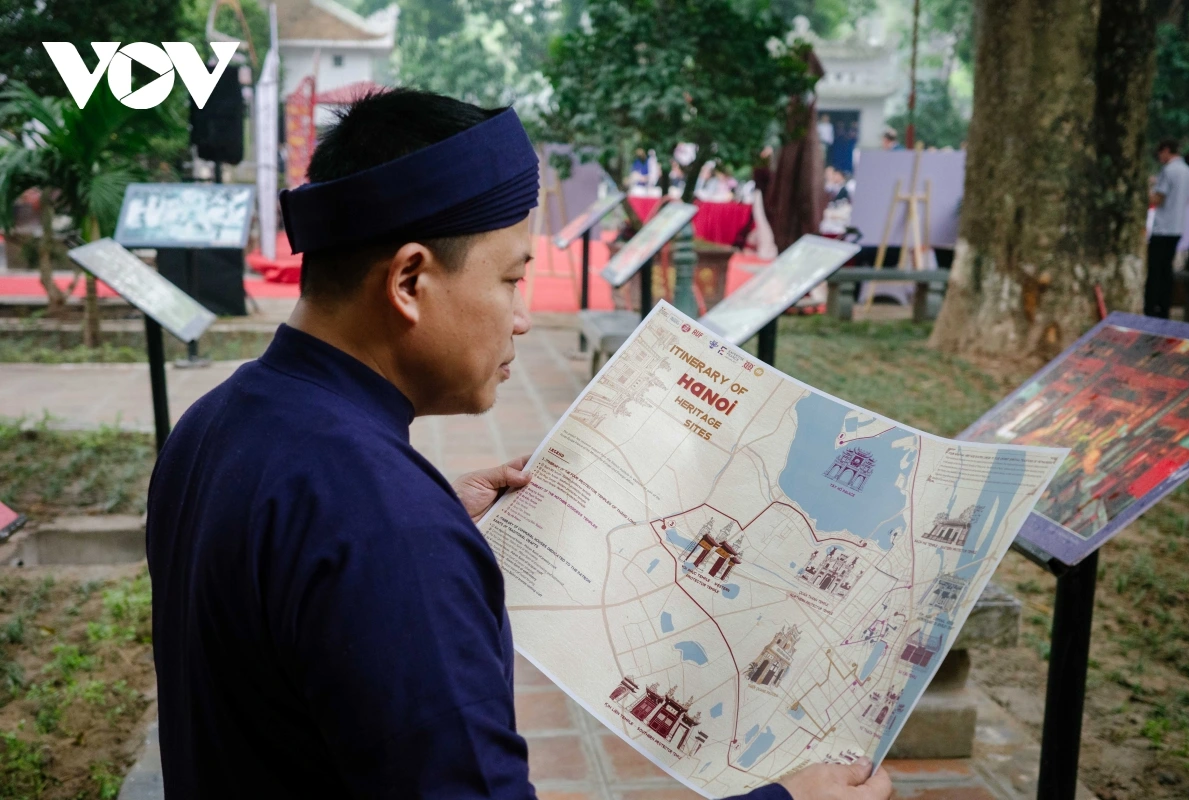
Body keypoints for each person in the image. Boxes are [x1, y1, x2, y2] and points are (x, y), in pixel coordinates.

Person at [145, 88, 893, 800]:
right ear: (409, 281)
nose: (524, 317)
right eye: (510, 279)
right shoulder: (389, 527)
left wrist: (414, 522)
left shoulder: (213, 424)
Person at [1146, 137, 1189, 318]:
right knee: (1167, 269)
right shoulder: (1188, 172)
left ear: (1166, 150)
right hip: (1177, 227)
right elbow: (1188, 199)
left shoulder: (1168, 170)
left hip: (1162, 228)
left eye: (1159, 153)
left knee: (1155, 271)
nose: (1159, 157)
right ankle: (1164, 307)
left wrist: (1146, 190)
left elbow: (1157, 199)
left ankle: (1151, 308)